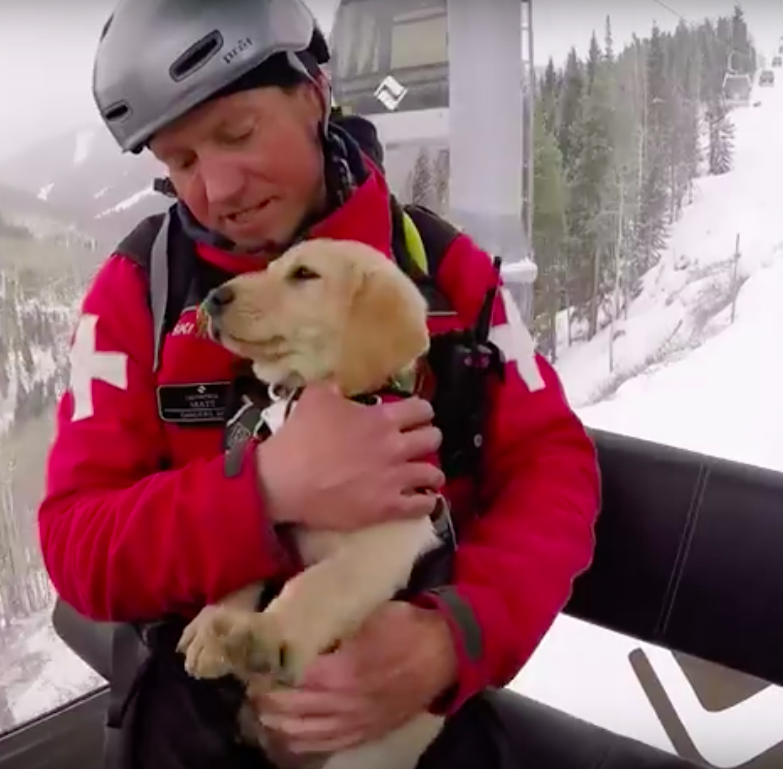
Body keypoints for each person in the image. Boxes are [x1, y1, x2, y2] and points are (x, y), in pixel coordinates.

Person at [38, 0, 601, 766]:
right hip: (201, 713)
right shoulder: (140, 294)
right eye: (181, 161)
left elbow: (554, 468)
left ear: (313, 93)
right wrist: (264, 489)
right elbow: (77, 539)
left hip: (405, 704)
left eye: (237, 132)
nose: (220, 186)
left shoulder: (441, 273)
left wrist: (452, 636)